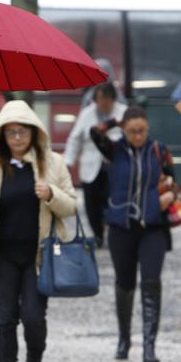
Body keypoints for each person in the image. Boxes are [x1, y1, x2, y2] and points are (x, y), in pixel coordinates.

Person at [0, 100, 77, 362]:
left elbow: (71, 205)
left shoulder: (53, 163)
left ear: (34, 132)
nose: (17, 138)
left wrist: (51, 195)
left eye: (23, 132)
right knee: (6, 319)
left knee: (33, 318)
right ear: (1, 136)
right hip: (2, 254)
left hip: (39, 255)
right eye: (11, 133)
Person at [90, 106, 173, 362]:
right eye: (133, 131)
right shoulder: (114, 150)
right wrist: (116, 121)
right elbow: (94, 132)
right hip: (121, 227)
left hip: (153, 226)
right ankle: (124, 338)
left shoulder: (159, 150)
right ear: (124, 130)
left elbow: (172, 180)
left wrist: (169, 196)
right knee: (125, 284)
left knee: (151, 281)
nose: (138, 135)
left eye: (142, 131)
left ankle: (150, 345)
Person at [64, 83, 126, 247]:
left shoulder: (123, 113)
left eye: (106, 99)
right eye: (99, 99)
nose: (103, 103)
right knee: (91, 203)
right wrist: (68, 161)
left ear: (113, 98)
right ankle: (98, 234)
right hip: (90, 164)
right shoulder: (87, 114)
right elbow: (75, 138)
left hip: (115, 164)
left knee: (112, 200)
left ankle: (113, 231)